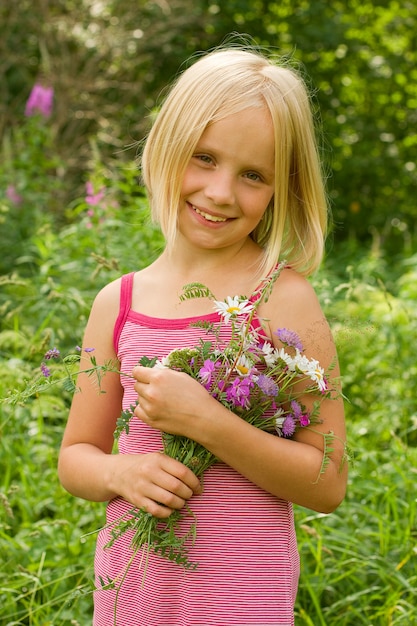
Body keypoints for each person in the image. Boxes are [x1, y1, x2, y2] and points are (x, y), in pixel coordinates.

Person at [58, 45, 348, 626]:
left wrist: (209, 424)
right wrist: (120, 472)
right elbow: (75, 457)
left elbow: (328, 479)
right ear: (167, 148)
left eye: (252, 175)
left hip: (241, 598)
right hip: (135, 585)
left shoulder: (281, 298)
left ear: (281, 189)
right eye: (204, 158)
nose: (220, 193)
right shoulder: (119, 303)